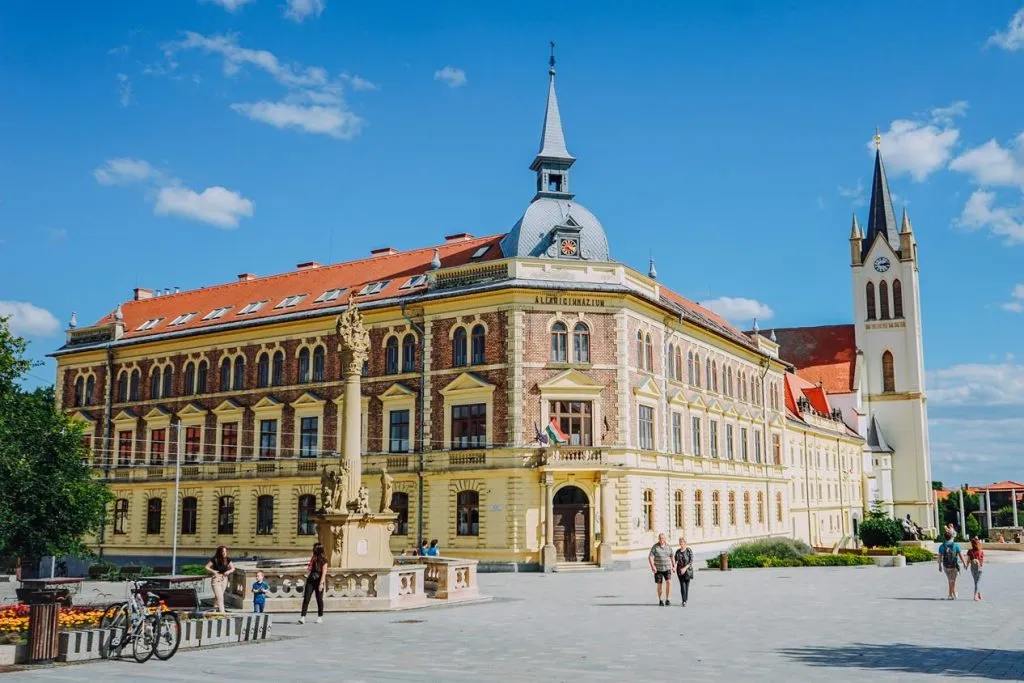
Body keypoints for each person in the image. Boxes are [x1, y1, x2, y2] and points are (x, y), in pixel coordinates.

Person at [299, 542, 327, 624]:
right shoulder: (313, 559)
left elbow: (324, 573)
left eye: (314, 549)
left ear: (318, 550)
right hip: (311, 580)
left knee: (319, 599)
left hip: (319, 580)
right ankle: (303, 617)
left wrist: (321, 584)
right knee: (306, 598)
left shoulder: (324, 560)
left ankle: (320, 617)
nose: (313, 550)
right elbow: (310, 569)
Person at [937, 530, 967, 600]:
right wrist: (964, 563)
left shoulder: (942, 546)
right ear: (951, 537)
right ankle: (950, 595)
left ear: (944, 537)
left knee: (950, 580)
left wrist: (939, 566)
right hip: (954, 565)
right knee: (952, 580)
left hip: (946, 565)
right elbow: (961, 555)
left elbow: (940, 557)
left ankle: (953, 592)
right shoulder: (955, 545)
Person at [205, 546, 235, 613]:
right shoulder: (215, 559)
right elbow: (206, 567)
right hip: (216, 579)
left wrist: (229, 571)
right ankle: (222, 612)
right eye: (223, 551)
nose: (224, 553)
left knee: (218, 596)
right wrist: (213, 571)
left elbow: (233, 568)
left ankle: (214, 610)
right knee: (220, 597)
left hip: (224, 579)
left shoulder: (227, 559)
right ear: (219, 552)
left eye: (225, 551)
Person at [648, 533, 674, 606]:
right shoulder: (655, 547)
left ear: (665, 539)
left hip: (667, 568)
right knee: (659, 585)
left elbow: (672, 556)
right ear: (658, 539)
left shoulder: (668, 547)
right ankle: (660, 600)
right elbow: (650, 557)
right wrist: (653, 566)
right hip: (658, 569)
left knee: (669, 582)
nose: (661, 539)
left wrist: (674, 566)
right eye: (660, 538)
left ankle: (668, 599)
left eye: (662, 538)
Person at [674, 537, 694, 607]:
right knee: (682, 584)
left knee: (687, 585)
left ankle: (685, 598)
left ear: (685, 543)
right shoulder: (677, 551)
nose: (680, 543)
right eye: (680, 542)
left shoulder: (688, 550)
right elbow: (676, 561)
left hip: (687, 570)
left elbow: (691, 561)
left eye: (682, 542)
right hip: (680, 570)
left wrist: (685, 568)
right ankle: (684, 601)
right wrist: (674, 567)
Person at [967, 536, 984, 601]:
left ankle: (978, 594)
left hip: (972, 568)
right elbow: (982, 561)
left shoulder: (970, 551)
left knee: (976, 582)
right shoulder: (981, 551)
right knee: (977, 582)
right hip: (979, 568)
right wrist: (980, 564)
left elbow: (968, 560)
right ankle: (975, 596)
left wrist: (966, 566)